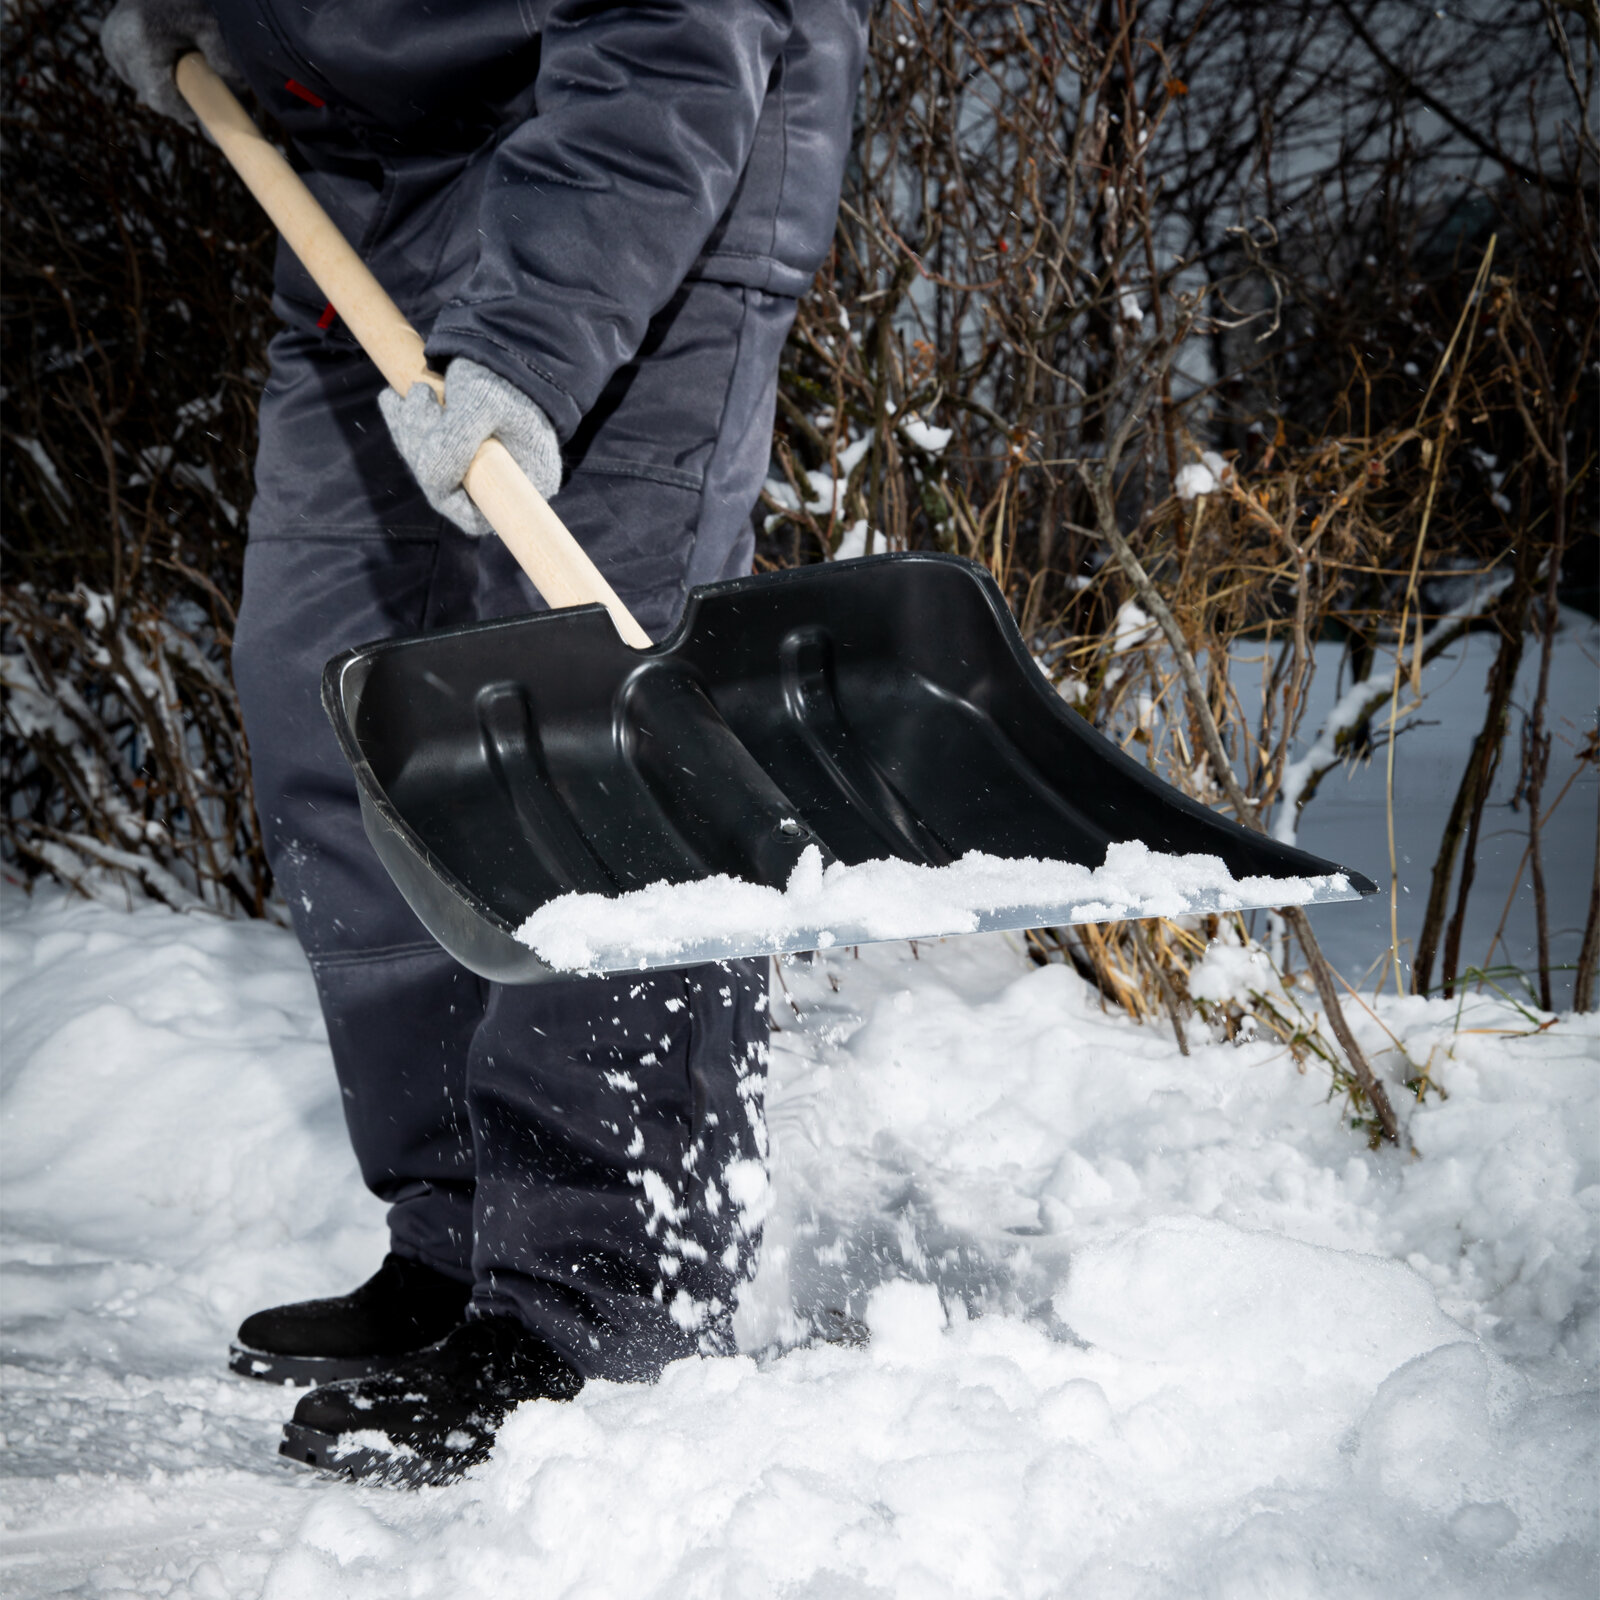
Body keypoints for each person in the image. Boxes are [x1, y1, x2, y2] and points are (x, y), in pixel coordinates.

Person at [100, 0, 869, 1485]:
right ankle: (465, 1225)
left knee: (576, 710)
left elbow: (671, 39)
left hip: (652, 129)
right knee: (331, 682)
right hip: (363, 176)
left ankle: (602, 1286)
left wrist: (525, 341)